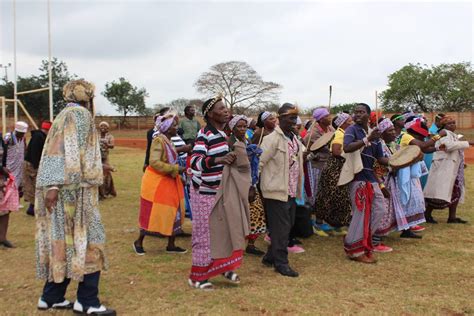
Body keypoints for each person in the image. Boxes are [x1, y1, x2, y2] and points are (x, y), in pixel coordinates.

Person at [35, 79, 115, 315]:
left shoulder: (64, 114)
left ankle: (51, 297)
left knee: (65, 241)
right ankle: (87, 301)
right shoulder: (79, 115)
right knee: (89, 240)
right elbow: (62, 149)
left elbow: (65, 152)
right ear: (87, 98)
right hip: (72, 192)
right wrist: (54, 186)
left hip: (64, 189)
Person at [188, 96, 246, 290]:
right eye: (221, 109)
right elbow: (195, 162)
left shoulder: (223, 134)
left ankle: (222, 266)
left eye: (226, 108)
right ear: (210, 114)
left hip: (221, 191)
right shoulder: (205, 134)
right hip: (204, 192)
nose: (226, 111)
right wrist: (218, 160)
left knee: (223, 231)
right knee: (204, 234)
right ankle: (197, 277)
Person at [259, 103, 304, 277]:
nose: (295, 121)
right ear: (281, 118)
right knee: (282, 229)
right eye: (291, 118)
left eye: (295, 118)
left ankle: (270, 256)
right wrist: (253, 186)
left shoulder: (293, 137)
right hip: (275, 190)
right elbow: (260, 163)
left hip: (290, 190)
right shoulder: (271, 139)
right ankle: (281, 263)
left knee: (287, 225)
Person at [133, 112, 187, 255]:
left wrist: (178, 176)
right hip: (157, 182)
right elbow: (155, 162)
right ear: (168, 128)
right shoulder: (159, 140)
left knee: (173, 210)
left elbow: (170, 161)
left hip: (168, 180)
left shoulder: (169, 140)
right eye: (174, 125)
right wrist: (177, 169)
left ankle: (171, 244)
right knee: (153, 212)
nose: (177, 127)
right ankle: (139, 241)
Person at [342, 103, 389, 264]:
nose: (357, 114)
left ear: (369, 115)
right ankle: (355, 250)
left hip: (371, 177)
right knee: (361, 214)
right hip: (358, 178)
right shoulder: (352, 130)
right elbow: (347, 147)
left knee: (380, 209)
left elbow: (380, 158)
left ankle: (360, 242)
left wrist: (398, 160)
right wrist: (367, 139)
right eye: (356, 112)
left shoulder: (374, 135)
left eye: (361, 112)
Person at [424, 116, 474, 224]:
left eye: (453, 123)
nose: (452, 125)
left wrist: (462, 163)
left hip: (452, 168)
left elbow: (456, 150)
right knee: (437, 194)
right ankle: (427, 214)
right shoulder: (443, 133)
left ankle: (452, 217)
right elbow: (449, 146)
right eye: (449, 123)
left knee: (455, 192)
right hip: (443, 168)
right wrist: (468, 143)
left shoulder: (453, 135)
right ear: (444, 126)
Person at [228, 115, 266, 256]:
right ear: (232, 128)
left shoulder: (247, 140)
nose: (243, 129)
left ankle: (251, 244)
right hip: (235, 184)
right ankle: (235, 245)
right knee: (237, 215)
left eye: (244, 126)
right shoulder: (229, 143)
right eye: (239, 126)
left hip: (250, 182)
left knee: (255, 213)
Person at [395, 116, 438, 238]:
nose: (421, 138)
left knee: (410, 199)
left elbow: (424, 148)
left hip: (408, 172)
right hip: (405, 173)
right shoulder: (406, 136)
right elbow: (424, 146)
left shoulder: (405, 136)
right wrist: (438, 136)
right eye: (420, 136)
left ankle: (407, 227)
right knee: (407, 199)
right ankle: (406, 229)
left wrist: (438, 147)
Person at [314, 113, 353, 236]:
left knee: (341, 198)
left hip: (341, 168)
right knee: (327, 196)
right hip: (334, 168)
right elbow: (336, 151)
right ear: (343, 123)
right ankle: (318, 224)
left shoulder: (344, 133)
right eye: (350, 121)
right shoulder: (339, 134)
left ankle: (337, 224)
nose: (352, 123)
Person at [303, 107, 334, 236]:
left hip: (327, 164)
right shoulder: (313, 133)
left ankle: (320, 221)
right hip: (316, 166)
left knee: (325, 193)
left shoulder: (331, 129)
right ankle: (312, 222)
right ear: (321, 119)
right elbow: (309, 147)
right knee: (315, 193)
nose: (330, 117)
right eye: (327, 116)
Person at [23, 121, 52, 216]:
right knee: (35, 186)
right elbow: (35, 153)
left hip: (33, 164)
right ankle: (32, 209)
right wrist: (37, 167)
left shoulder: (40, 136)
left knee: (35, 186)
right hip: (32, 165)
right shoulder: (38, 137)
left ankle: (33, 208)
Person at [0, 136, 20, 248]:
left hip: (2, 178)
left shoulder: (1, 138)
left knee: (5, 209)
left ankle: (2, 238)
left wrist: (3, 168)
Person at [3, 121, 28, 198]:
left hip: (19, 165)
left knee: (17, 183)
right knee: (8, 183)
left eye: (23, 133)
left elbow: (24, 149)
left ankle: (14, 201)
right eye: (20, 133)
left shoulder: (23, 138)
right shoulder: (8, 137)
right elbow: (2, 150)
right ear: (16, 131)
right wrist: (3, 165)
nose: (22, 135)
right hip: (9, 165)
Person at [421, 113, 445, 188]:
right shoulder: (432, 130)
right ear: (438, 121)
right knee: (428, 174)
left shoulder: (438, 130)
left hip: (434, 153)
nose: (443, 124)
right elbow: (433, 143)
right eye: (443, 122)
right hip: (430, 155)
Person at [98, 121, 116, 200]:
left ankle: (109, 191)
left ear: (108, 128)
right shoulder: (96, 136)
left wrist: (107, 144)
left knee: (106, 174)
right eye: (101, 126)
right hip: (97, 158)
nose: (103, 127)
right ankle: (102, 194)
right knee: (99, 175)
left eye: (105, 126)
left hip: (105, 157)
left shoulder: (110, 136)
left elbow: (112, 146)